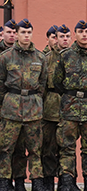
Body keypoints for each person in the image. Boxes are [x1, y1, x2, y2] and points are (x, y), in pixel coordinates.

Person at [54, 21, 87, 191]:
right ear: (75, 34)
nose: (84, 34)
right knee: (67, 147)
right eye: (80, 31)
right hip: (70, 107)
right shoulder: (65, 56)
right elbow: (57, 82)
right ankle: (68, 182)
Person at [0, 19, 47, 191]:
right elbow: (0, 84)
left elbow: (42, 84)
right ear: (17, 34)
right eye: (23, 33)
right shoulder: (5, 57)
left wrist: (35, 100)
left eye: (29, 33)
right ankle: (5, 182)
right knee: (6, 149)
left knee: (35, 149)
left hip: (33, 110)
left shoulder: (40, 57)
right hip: (11, 110)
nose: (26, 36)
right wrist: (7, 102)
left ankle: (37, 182)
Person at [42, 25, 69, 191]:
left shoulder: (73, 57)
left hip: (70, 107)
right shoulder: (46, 59)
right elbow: (41, 85)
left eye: (67, 36)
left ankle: (66, 182)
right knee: (49, 148)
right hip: (50, 108)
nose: (63, 40)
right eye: (59, 36)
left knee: (67, 148)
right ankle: (48, 182)